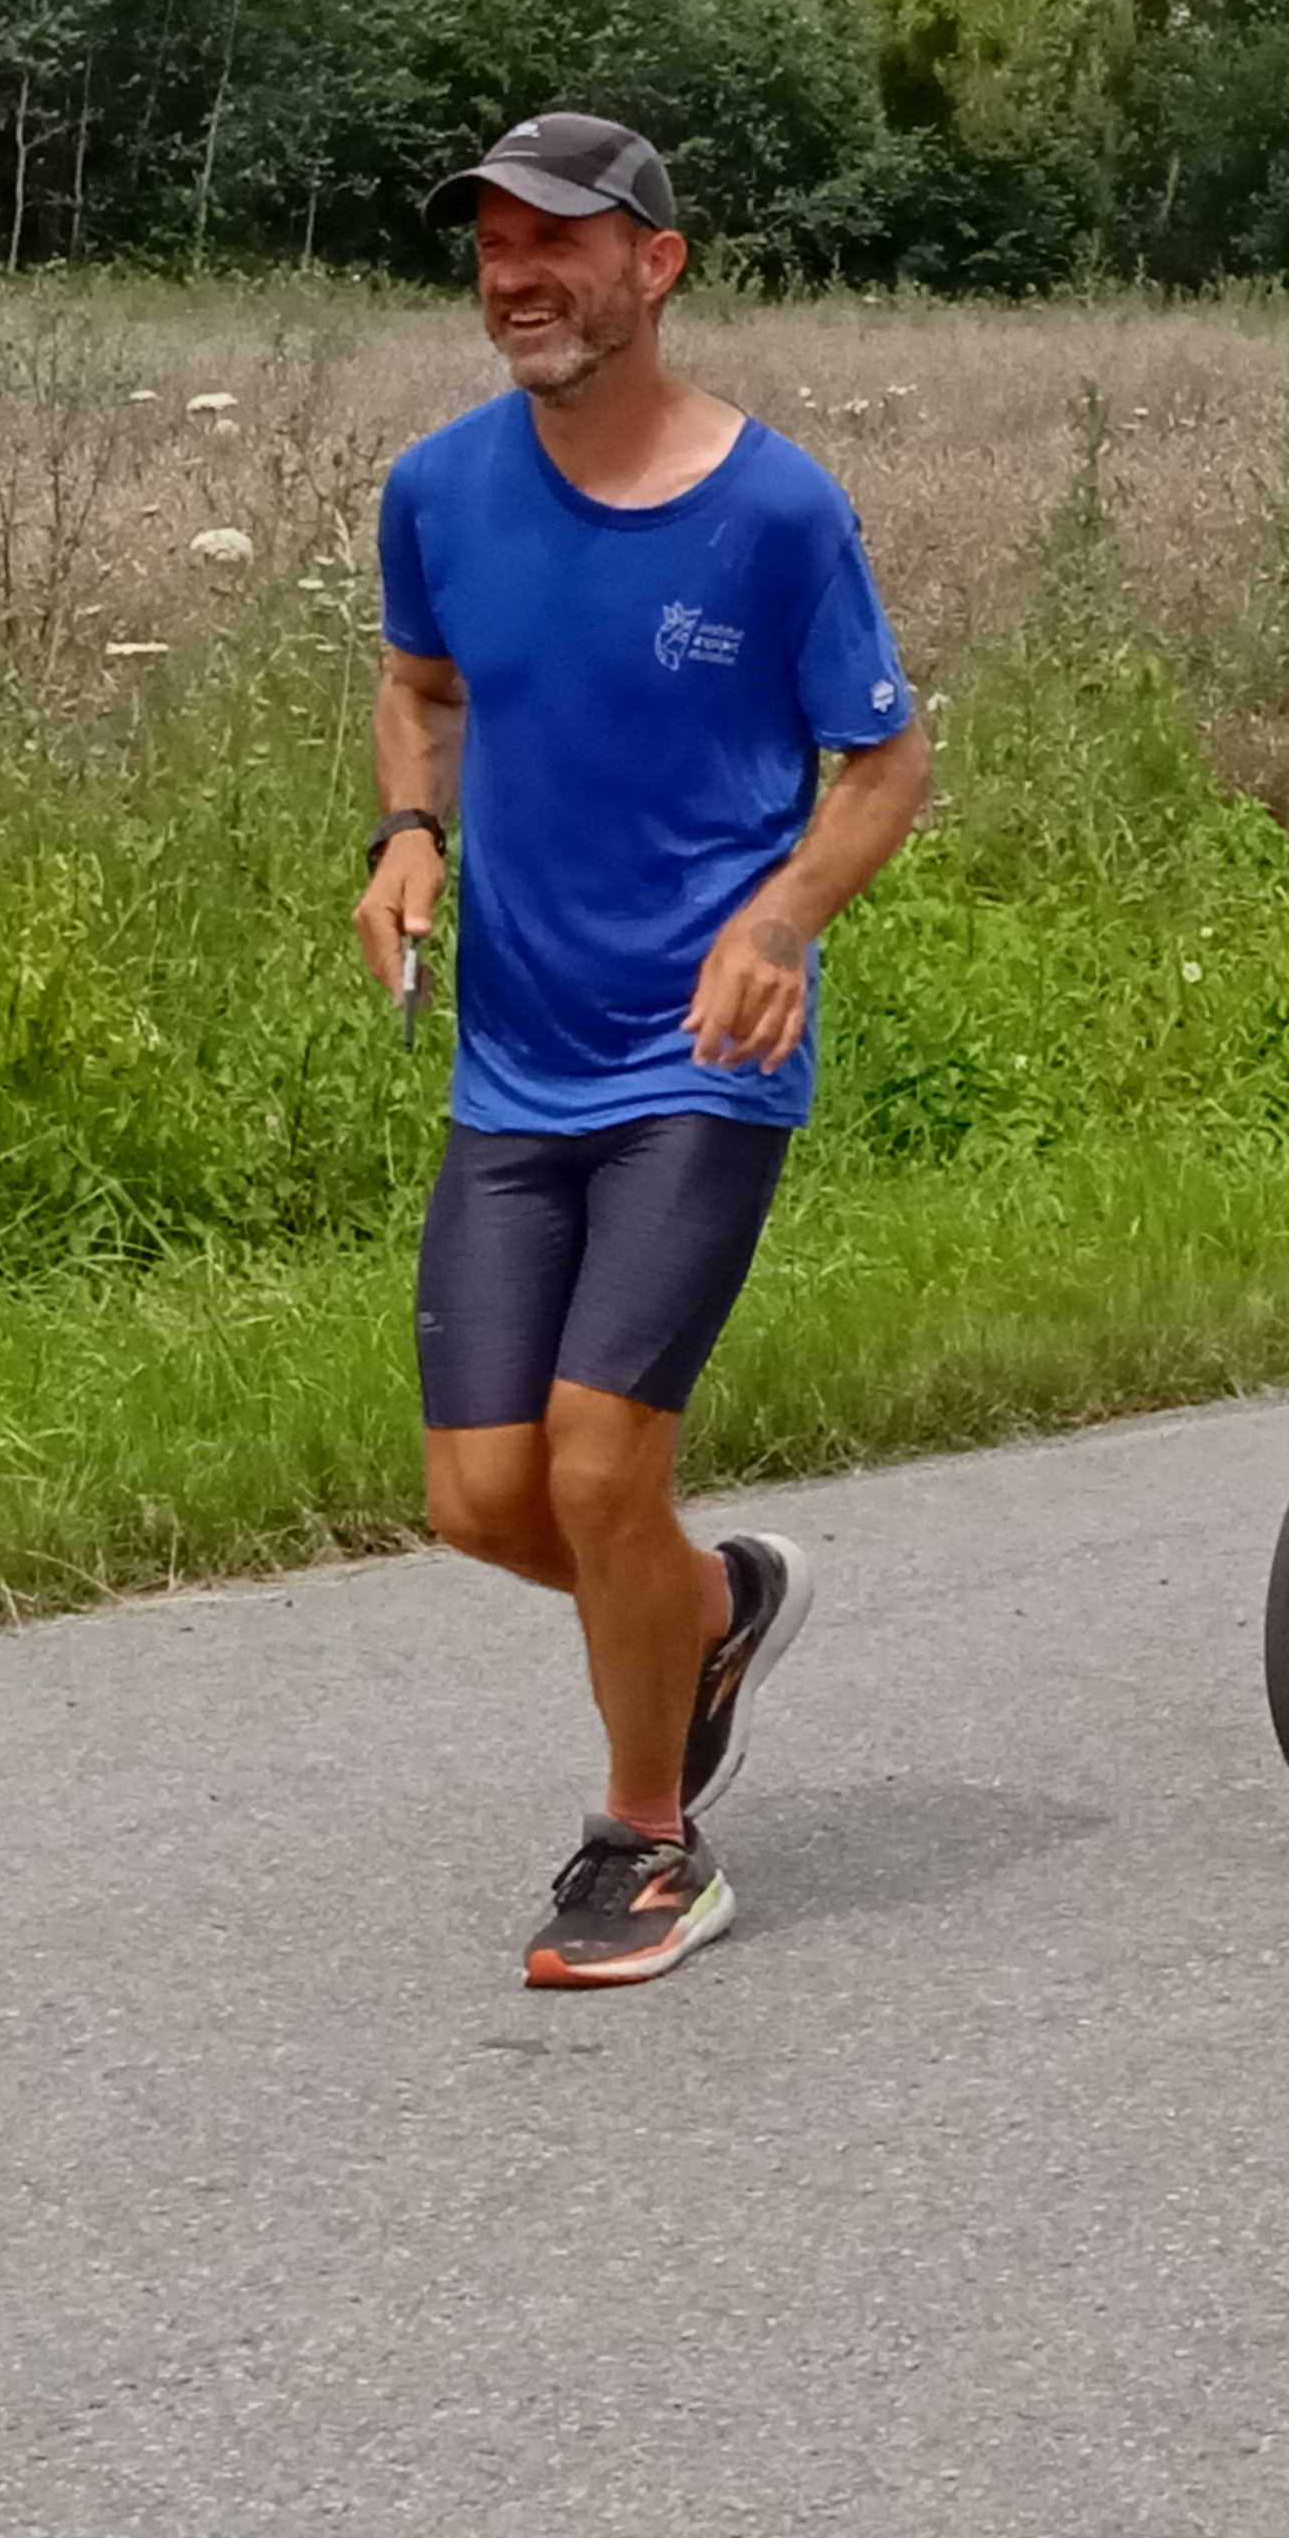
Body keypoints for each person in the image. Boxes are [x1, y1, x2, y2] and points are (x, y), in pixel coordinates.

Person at [354, 111, 932, 1990]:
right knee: (481, 1499)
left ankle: (647, 1842)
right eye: (493, 244)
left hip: (703, 1055)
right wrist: (405, 837)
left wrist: (777, 925)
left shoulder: (774, 515)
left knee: (600, 1465)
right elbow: (421, 686)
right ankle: (710, 1610)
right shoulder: (437, 492)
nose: (517, 274)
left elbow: (886, 769)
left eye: (559, 241)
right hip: (514, 1063)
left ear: (656, 267)